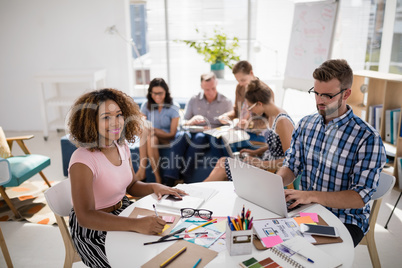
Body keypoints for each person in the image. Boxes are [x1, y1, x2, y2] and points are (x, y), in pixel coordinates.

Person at [67, 88, 185, 267]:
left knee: (162, 250)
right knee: (131, 262)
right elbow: (85, 216)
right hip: (93, 229)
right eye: (106, 117)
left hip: (123, 211)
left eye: (119, 115)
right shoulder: (82, 159)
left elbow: (131, 185)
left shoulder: (120, 146)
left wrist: (154, 186)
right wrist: (135, 224)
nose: (116, 123)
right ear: (90, 122)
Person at [276, 59, 387, 247]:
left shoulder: (367, 137)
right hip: (308, 210)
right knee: (270, 237)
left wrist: (310, 195)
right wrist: (273, 185)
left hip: (346, 219)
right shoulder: (306, 124)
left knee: (309, 251)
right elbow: (292, 166)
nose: (319, 101)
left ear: (346, 94)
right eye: (316, 93)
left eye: (327, 95)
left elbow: (359, 197)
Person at [204, 79, 294, 181]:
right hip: (265, 164)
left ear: (259, 104)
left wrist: (260, 163)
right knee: (223, 162)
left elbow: (289, 160)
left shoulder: (282, 121)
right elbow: (276, 148)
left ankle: (198, 191)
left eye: (250, 107)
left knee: (223, 166)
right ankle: (200, 191)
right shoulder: (272, 116)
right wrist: (255, 152)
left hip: (270, 172)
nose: (250, 111)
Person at [164, 72, 232, 182]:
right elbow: (183, 122)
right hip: (194, 130)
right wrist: (191, 121)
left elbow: (230, 126)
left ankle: (184, 176)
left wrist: (225, 122)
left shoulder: (226, 102)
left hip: (212, 134)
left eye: (213, 88)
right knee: (181, 136)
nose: (211, 92)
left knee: (199, 137)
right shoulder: (194, 100)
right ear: (201, 86)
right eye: (207, 89)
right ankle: (170, 178)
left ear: (217, 83)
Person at [137, 78, 180, 184]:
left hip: (168, 138)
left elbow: (172, 134)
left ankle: (142, 172)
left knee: (149, 133)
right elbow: (141, 124)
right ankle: (158, 179)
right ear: (150, 93)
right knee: (150, 137)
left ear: (166, 92)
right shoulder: (146, 105)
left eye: (160, 93)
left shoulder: (173, 107)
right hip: (151, 137)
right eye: (155, 93)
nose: (157, 96)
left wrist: (153, 129)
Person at [218, 60, 274, 131]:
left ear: (251, 73)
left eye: (243, 80)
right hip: (240, 130)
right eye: (238, 80)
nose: (240, 84)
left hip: (256, 133)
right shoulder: (240, 88)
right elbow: (236, 111)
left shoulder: (265, 91)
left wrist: (250, 124)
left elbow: (269, 120)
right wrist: (226, 116)